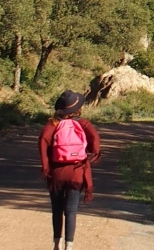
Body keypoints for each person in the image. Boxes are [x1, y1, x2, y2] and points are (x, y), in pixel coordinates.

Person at [39, 90, 100, 250]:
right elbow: (95, 141)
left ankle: (56, 245)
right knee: (71, 210)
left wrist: (46, 166)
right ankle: (69, 246)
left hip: (56, 173)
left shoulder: (52, 124)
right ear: (77, 108)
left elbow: (43, 143)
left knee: (57, 209)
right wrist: (90, 153)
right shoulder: (84, 123)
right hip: (77, 172)